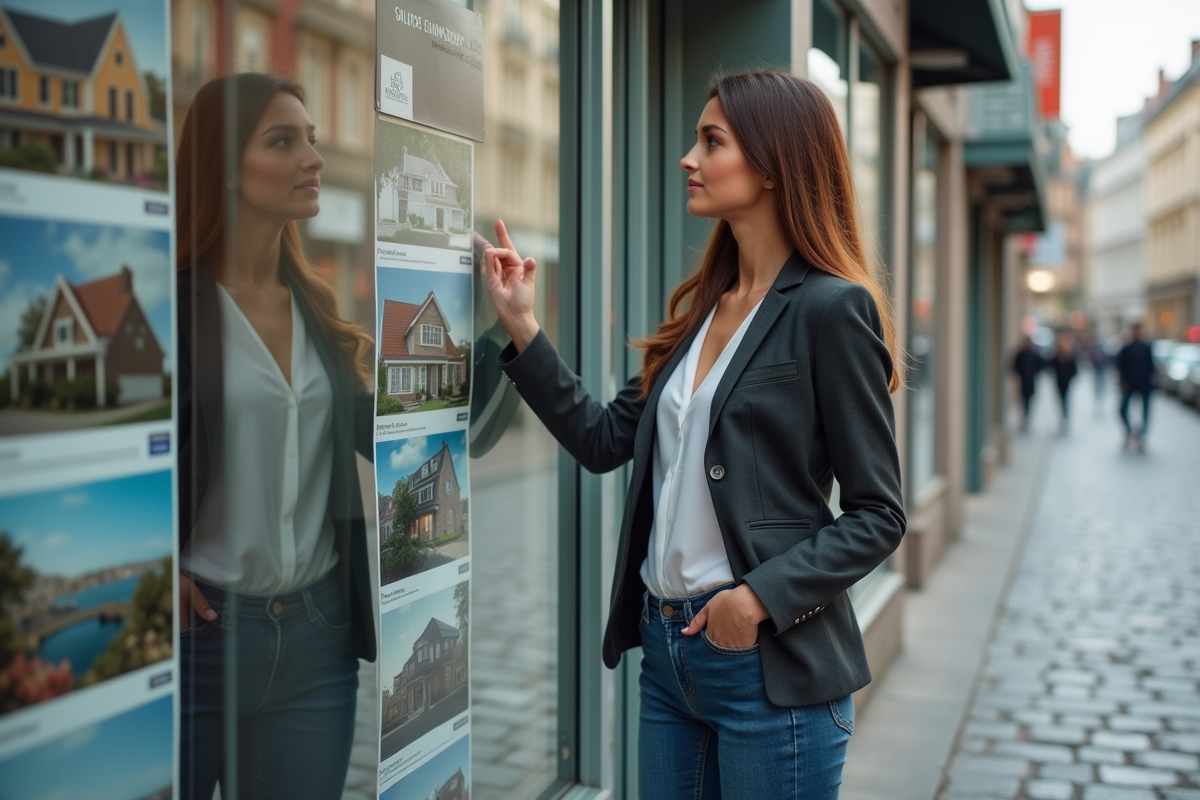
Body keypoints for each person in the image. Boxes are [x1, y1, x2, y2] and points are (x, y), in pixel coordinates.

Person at [482, 70, 905, 799]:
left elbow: (879, 515)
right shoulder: (704, 310)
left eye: (712, 141)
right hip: (667, 659)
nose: (688, 157)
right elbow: (602, 439)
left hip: (768, 668)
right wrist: (522, 326)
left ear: (772, 166)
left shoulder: (833, 310)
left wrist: (757, 599)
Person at [175, 74, 376, 799]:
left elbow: (395, 434)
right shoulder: (171, 307)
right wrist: (148, 575)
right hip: (200, 639)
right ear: (225, 167)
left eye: (312, 140)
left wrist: (507, 339)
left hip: (319, 635)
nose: (313, 158)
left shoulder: (319, 314)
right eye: (283, 141)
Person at [1116, 321, 1155, 450]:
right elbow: (1120, 366)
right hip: (1130, 384)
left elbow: (1151, 366)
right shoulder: (1127, 348)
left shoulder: (1146, 347)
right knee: (1122, 409)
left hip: (1144, 384)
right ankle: (1129, 431)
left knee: (1146, 411)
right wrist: (1122, 381)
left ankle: (1142, 435)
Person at [1012, 336, 1043, 432]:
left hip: (1031, 381)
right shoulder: (1021, 354)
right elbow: (1015, 366)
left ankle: (1027, 416)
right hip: (1023, 381)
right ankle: (1024, 416)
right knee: (1023, 400)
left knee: (1029, 400)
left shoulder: (1034, 354)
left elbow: (1040, 366)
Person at [1048, 335, 1078, 432]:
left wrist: (1070, 377)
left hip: (1066, 382)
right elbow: (1051, 367)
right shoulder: (1056, 357)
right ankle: (1062, 417)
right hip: (1059, 381)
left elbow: (1074, 370)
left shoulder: (1070, 357)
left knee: (1065, 400)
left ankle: (1065, 417)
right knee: (1061, 400)